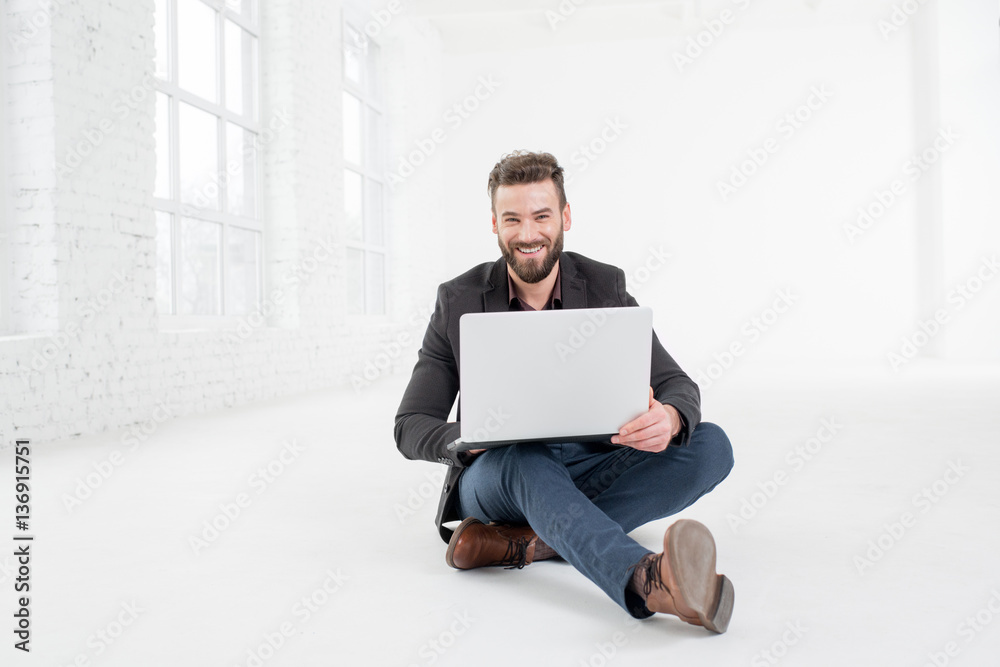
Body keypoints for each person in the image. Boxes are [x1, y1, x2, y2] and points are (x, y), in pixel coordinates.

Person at [394, 151, 736, 632]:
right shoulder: (458, 300)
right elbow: (409, 426)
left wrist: (673, 417)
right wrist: (469, 434)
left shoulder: (604, 286)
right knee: (528, 460)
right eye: (512, 219)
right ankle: (648, 579)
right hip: (499, 476)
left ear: (565, 218)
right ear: (495, 224)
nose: (528, 234)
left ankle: (527, 543)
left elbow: (678, 384)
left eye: (541, 216)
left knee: (711, 444)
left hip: (589, 464)